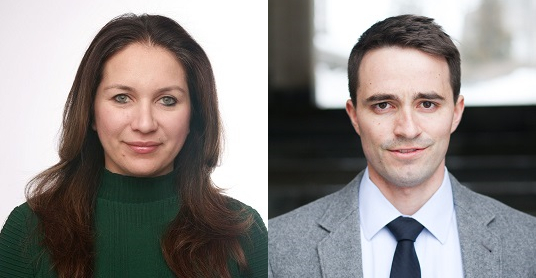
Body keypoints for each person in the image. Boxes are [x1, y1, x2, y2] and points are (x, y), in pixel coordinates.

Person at [268, 14, 536, 278]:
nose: (407, 129)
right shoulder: (276, 248)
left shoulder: (527, 243)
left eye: (427, 104)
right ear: (354, 116)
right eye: (383, 105)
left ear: (456, 112)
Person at [0, 13, 267, 278]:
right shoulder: (28, 229)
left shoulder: (244, 232)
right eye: (122, 97)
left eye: (167, 100)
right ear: (90, 112)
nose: (144, 124)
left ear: (194, 114)